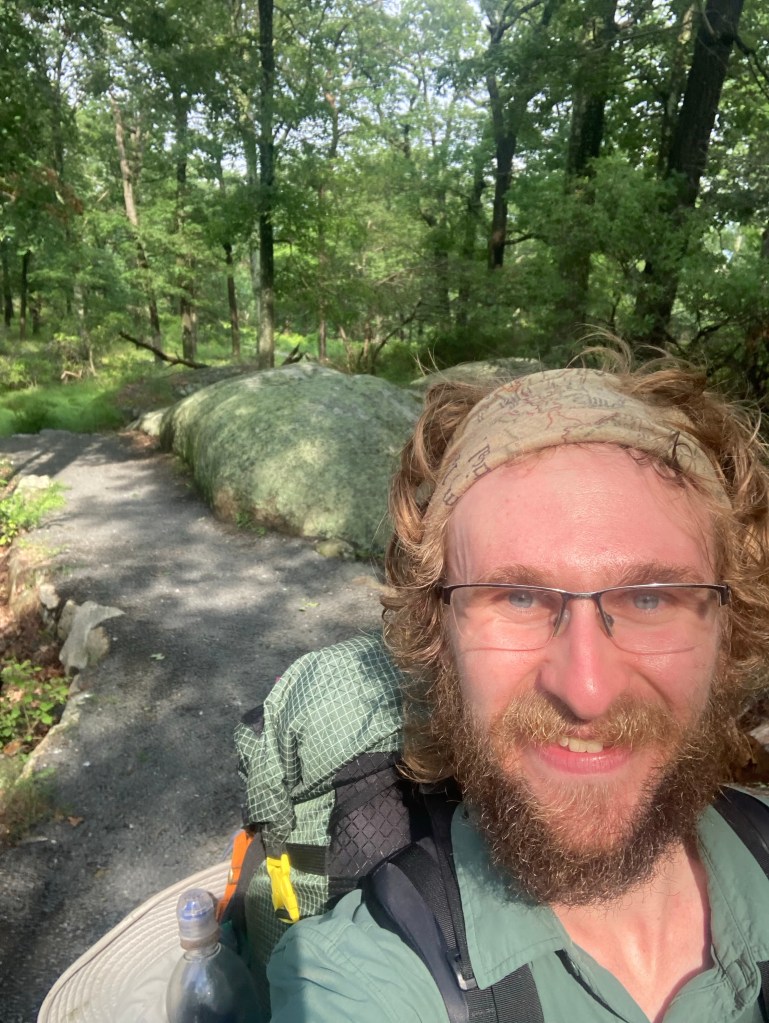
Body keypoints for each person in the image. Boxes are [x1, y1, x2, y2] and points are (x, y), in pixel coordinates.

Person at [267, 351, 769, 1023]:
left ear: (730, 633)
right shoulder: (357, 974)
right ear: (438, 637)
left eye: (650, 598)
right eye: (518, 597)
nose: (585, 690)